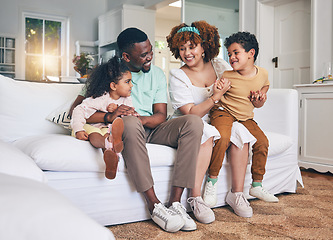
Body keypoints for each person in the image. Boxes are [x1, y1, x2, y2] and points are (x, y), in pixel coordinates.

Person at [70, 27, 205, 233]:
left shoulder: (158, 74)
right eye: (143, 54)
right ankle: (154, 205)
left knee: (194, 122)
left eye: (150, 50)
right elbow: (76, 110)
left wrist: (138, 118)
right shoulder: (108, 74)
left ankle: (176, 204)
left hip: (150, 128)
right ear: (126, 56)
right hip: (125, 128)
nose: (150, 56)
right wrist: (110, 116)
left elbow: (160, 115)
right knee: (128, 122)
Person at [166, 21, 257, 219]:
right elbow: (191, 114)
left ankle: (237, 194)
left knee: (241, 132)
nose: (187, 53)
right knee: (205, 132)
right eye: (182, 48)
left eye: (192, 47)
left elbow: (240, 87)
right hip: (190, 123)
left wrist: (256, 95)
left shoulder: (218, 65)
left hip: (218, 119)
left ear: (204, 46)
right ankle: (195, 198)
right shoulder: (177, 75)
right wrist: (215, 96)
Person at [209, 31, 279, 204]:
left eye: (236, 52)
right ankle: (212, 181)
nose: (231, 57)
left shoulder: (262, 73)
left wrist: (261, 96)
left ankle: (256, 184)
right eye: (230, 54)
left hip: (245, 117)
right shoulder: (227, 75)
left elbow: (265, 87)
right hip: (223, 112)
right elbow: (216, 93)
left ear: (251, 53)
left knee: (262, 142)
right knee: (223, 137)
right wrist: (220, 88)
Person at [71, 56, 137, 180]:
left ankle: (110, 153)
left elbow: (128, 113)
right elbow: (79, 109)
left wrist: (128, 112)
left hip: (106, 129)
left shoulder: (127, 99)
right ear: (113, 86)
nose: (131, 85)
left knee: (108, 134)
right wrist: (78, 129)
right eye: (127, 82)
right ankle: (112, 149)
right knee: (96, 137)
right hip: (89, 127)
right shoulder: (100, 98)